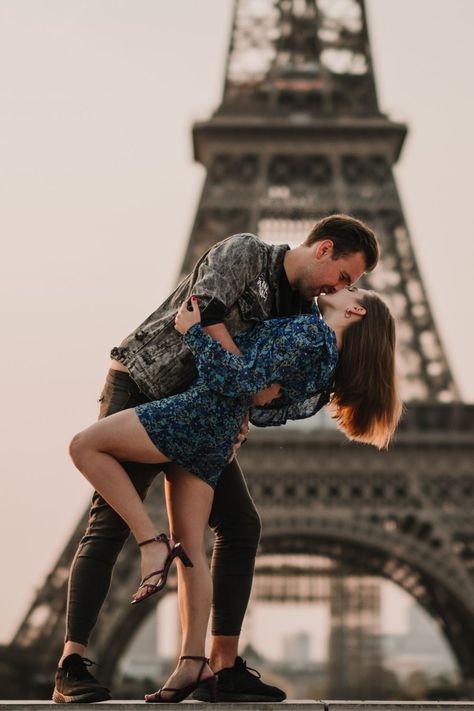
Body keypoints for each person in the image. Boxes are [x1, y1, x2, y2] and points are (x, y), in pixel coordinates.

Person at [53, 214, 379, 704]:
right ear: (323, 248)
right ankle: (71, 664)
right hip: (144, 387)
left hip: (200, 412)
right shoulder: (245, 251)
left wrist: (244, 403)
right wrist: (246, 384)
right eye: (345, 276)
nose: (341, 286)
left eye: (349, 286)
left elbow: (268, 383)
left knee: (241, 525)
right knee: (109, 523)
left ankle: (216, 666)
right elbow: (204, 317)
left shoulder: (304, 313)